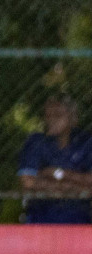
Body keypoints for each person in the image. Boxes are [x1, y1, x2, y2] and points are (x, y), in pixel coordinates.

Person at [17, 95, 92, 223]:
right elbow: (28, 182)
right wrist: (74, 186)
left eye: (58, 115)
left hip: (79, 218)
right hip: (41, 217)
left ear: (73, 118)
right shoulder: (36, 142)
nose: (51, 120)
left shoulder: (86, 142)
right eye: (48, 115)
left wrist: (57, 173)